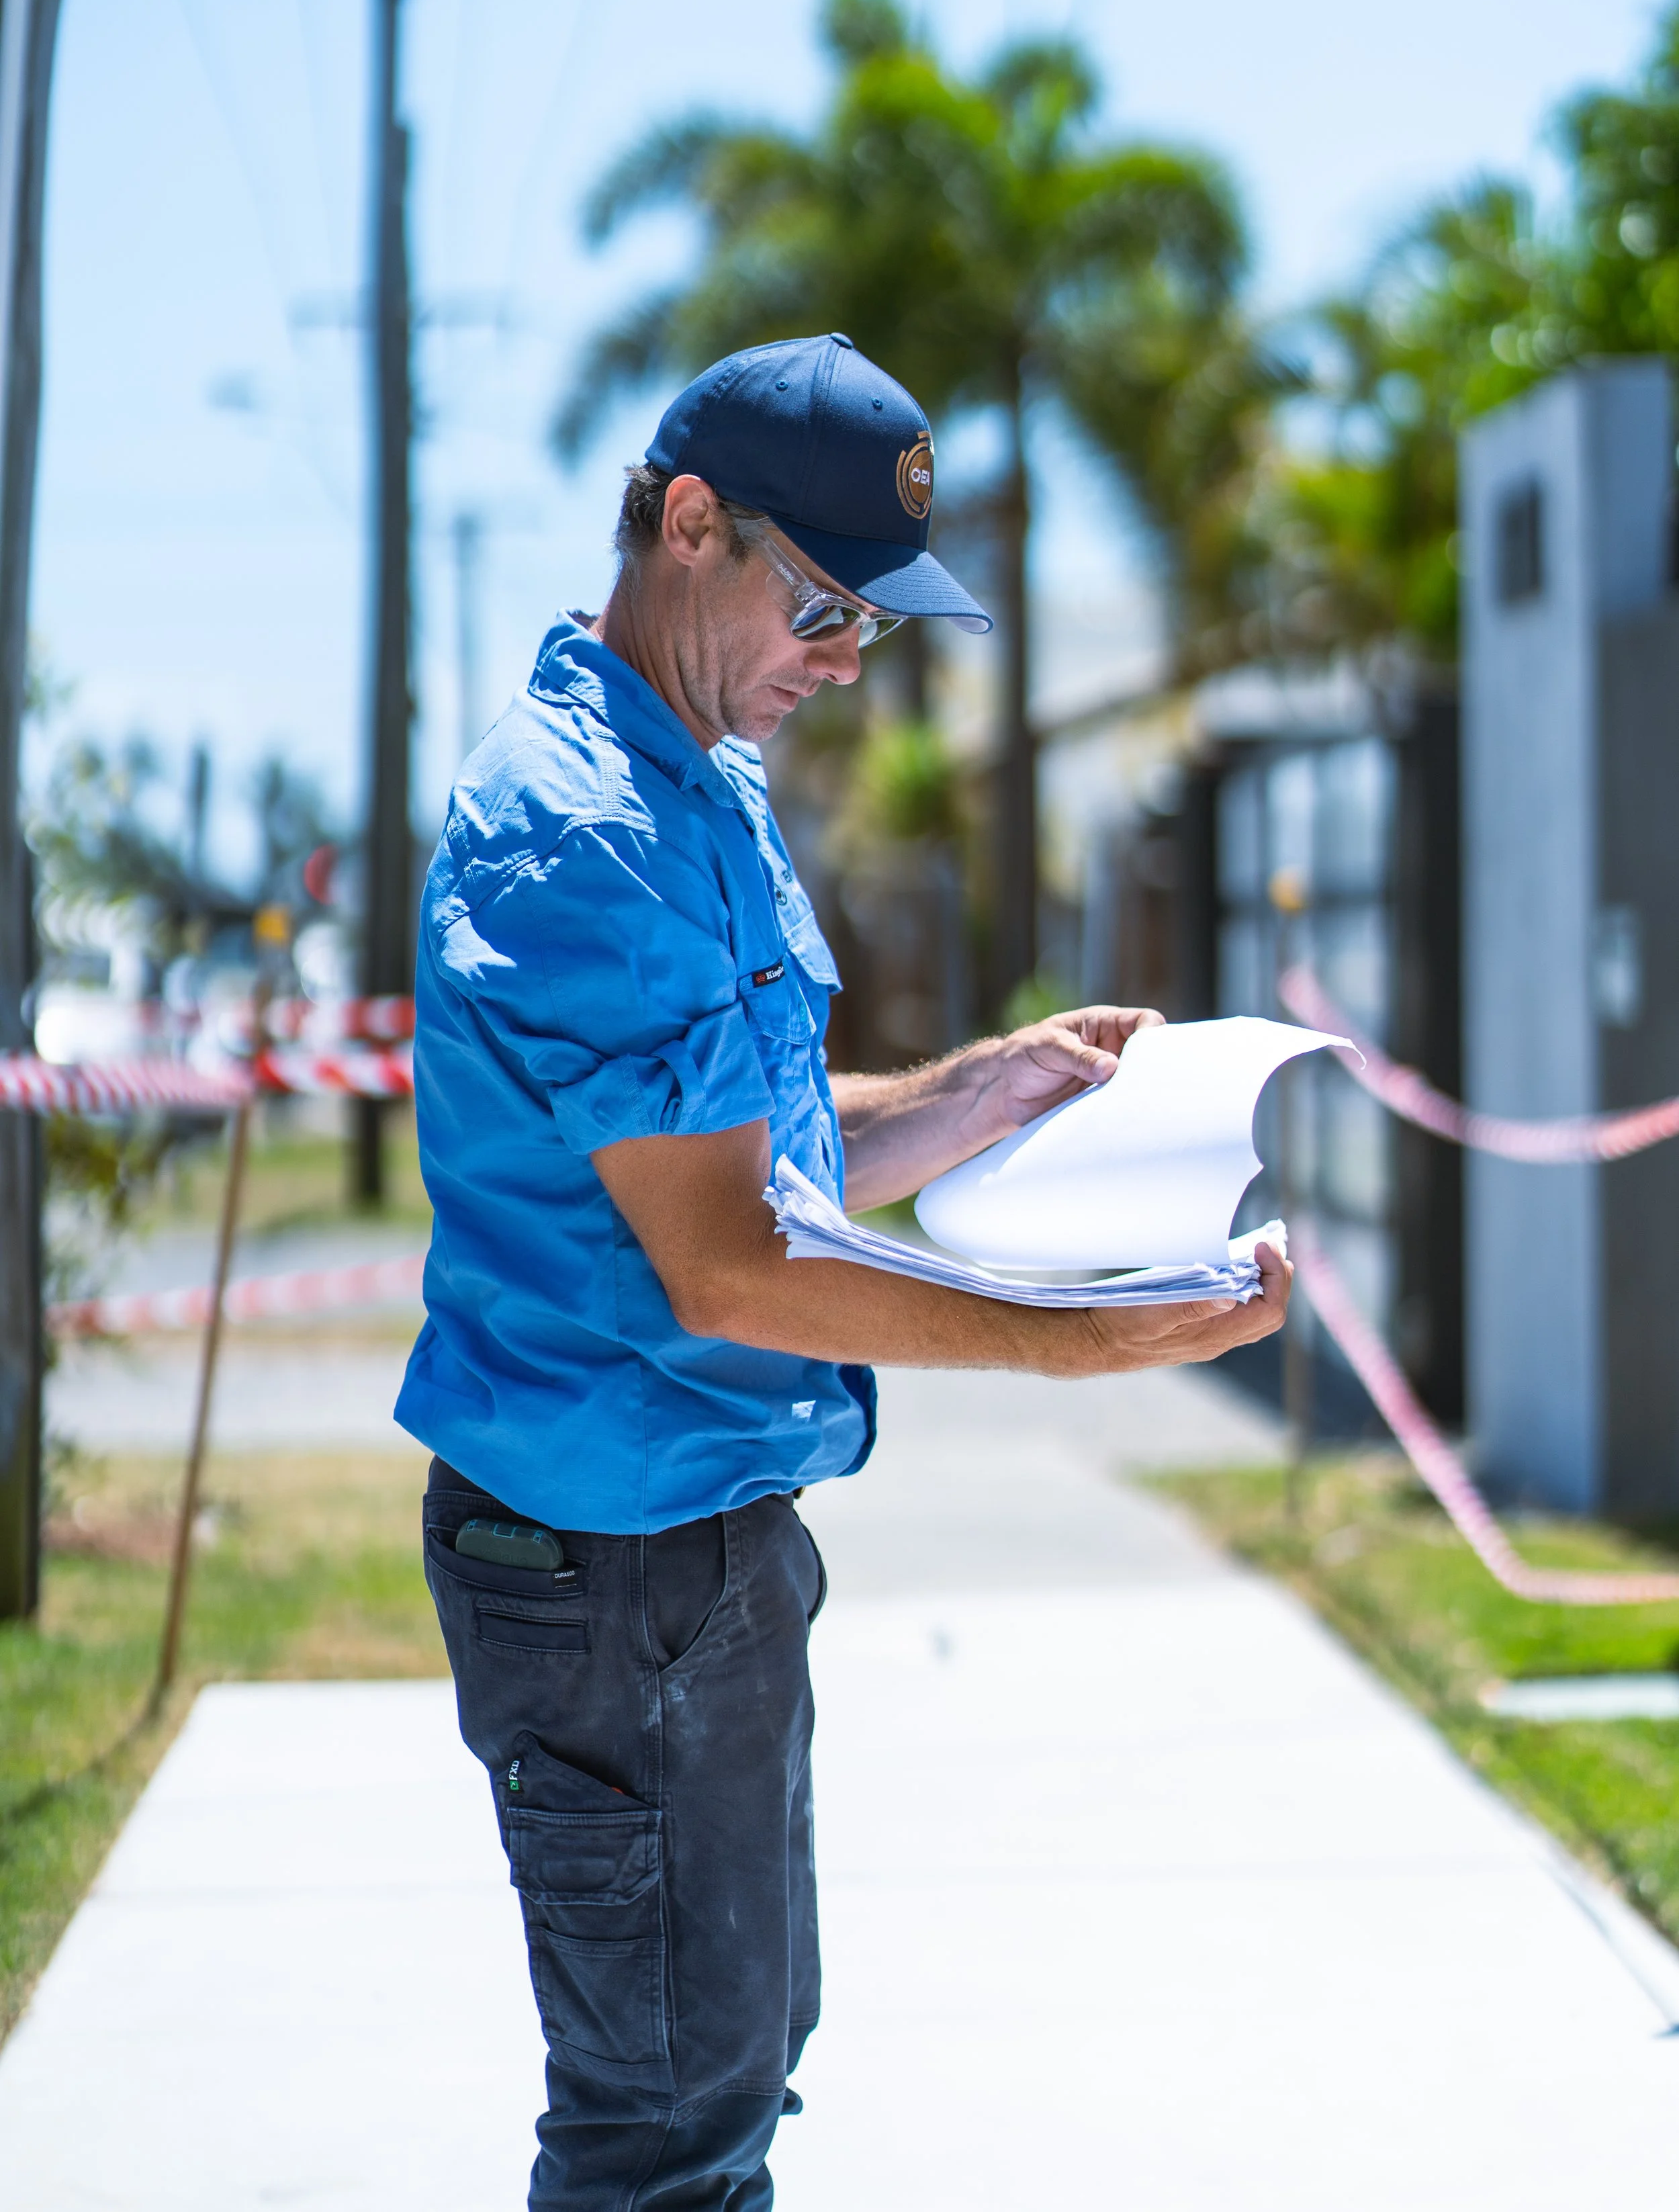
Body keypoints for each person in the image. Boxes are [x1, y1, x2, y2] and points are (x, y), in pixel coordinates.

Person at [395, 333, 1291, 2210]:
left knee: (729, 2072)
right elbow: (728, 1267)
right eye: (822, 608)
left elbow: (758, 1160)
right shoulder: (582, 830)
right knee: (663, 2134)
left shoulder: (691, 776)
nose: (839, 661)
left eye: (868, 627)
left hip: (696, 1542)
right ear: (689, 525)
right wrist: (1069, 1342)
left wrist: (985, 1085)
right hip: (609, 1559)